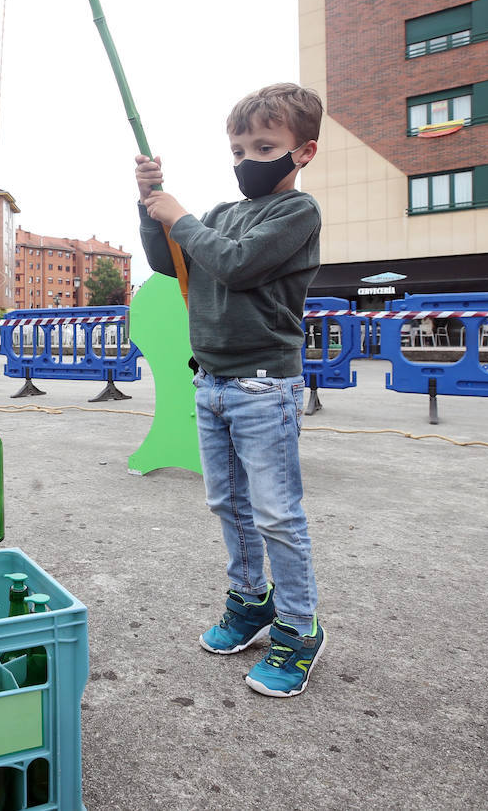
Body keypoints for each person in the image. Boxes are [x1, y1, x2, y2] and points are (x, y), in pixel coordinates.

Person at [135, 82, 326, 698]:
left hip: (264, 385)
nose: (248, 160)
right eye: (239, 149)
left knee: (276, 511)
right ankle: (250, 601)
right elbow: (171, 260)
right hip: (211, 381)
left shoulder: (297, 213)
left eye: (265, 146)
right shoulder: (218, 214)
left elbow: (239, 263)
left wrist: (180, 217)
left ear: (303, 152)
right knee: (229, 503)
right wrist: (150, 206)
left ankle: (299, 629)